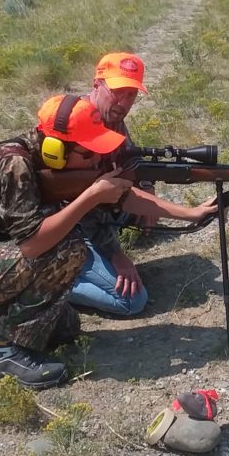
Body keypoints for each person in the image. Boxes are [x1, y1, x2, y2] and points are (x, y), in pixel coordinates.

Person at [0, 94, 217, 388]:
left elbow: (126, 197)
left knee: (64, 328)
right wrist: (89, 198)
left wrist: (190, 213)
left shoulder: (50, 162)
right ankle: (3, 353)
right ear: (56, 150)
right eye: (88, 152)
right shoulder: (14, 166)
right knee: (67, 249)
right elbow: (32, 246)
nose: (96, 158)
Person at [68, 52, 153, 317]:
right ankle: (45, 283)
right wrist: (117, 255)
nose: (124, 102)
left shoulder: (111, 116)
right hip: (69, 227)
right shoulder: (75, 123)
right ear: (97, 84)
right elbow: (84, 207)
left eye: (131, 95)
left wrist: (148, 188)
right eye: (117, 91)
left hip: (101, 209)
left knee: (147, 213)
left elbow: (131, 156)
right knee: (132, 301)